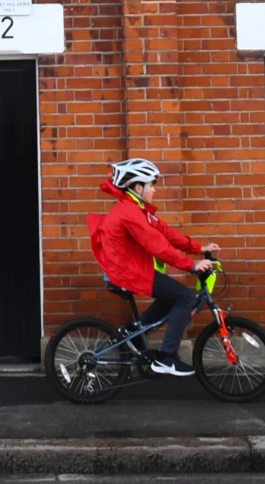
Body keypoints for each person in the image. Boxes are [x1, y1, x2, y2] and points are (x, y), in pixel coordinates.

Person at [87, 157, 219, 376]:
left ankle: (132, 333)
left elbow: (166, 232)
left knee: (172, 296)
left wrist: (198, 247)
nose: (154, 190)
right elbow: (158, 247)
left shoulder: (138, 209)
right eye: (152, 185)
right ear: (138, 187)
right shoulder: (129, 213)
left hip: (131, 268)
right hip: (127, 272)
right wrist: (192, 265)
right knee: (185, 297)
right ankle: (167, 358)